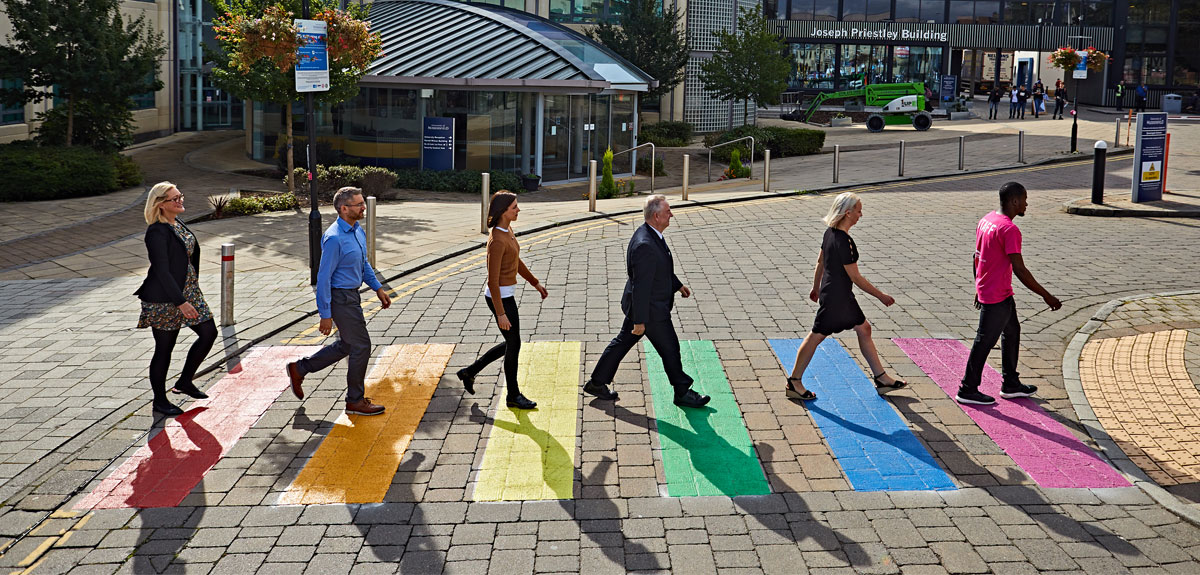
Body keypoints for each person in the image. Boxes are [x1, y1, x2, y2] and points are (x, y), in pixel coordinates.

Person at [582, 195, 710, 409]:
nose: (672, 215)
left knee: (622, 343)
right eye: (668, 211)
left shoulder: (651, 234)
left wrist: (676, 285)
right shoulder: (645, 245)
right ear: (657, 216)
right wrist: (640, 321)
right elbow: (642, 286)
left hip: (642, 307)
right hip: (650, 311)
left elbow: (660, 268)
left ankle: (597, 382)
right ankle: (682, 391)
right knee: (670, 349)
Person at [782, 192, 908, 401]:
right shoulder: (845, 242)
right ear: (848, 213)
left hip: (835, 294)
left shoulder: (829, 233)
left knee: (863, 328)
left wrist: (816, 288)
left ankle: (881, 378)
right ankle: (794, 381)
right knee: (816, 336)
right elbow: (855, 277)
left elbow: (820, 262)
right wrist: (881, 296)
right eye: (859, 210)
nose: (861, 214)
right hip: (837, 298)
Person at [286, 187, 391, 416]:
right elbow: (323, 278)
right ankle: (354, 401)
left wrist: (378, 288)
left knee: (347, 344)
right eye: (359, 204)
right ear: (344, 209)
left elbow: (363, 264)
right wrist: (325, 314)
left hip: (352, 295)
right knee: (361, 346)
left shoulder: (356, 230)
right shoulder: (334, 238)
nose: (364, 207)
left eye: (363, 203)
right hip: (340, 298)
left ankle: (300, 368)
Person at [957, 182, 1062, 406]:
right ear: (1014, 201)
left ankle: (1011, 383)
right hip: (996, 295)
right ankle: (967, 388)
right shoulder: (1009, 229)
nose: (1026, 203)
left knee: (1012, 331)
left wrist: (978, 285)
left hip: (996, 290)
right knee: (984, 341)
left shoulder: (987, 220)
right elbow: (1020, 269)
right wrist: (1046, 295)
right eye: (1024, 199)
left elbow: (976, 256)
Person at [455, 192, 546, 410]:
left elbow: (515, 260)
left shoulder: (507, 231)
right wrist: (501, 313)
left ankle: (469, 372)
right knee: (514, 344)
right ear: (503, 211)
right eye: (514, 207)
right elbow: (493, 281)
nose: (518, 210)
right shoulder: (496, 241)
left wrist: (535, 283)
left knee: (512, 342)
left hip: (506, 296)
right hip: (501, 298)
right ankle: (513, 395)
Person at [135, 182, 217, 416]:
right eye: (174, 199)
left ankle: (184, 381)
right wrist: (180, 301)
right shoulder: (156, 232)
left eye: (180, 196)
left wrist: (190, 292)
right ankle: (159, 401)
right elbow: (162, 271)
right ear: (160, 204)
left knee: (209, 333)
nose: (180, 201)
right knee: (164, 348)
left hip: (189, 291)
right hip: (164, 298)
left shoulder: (176, 222)